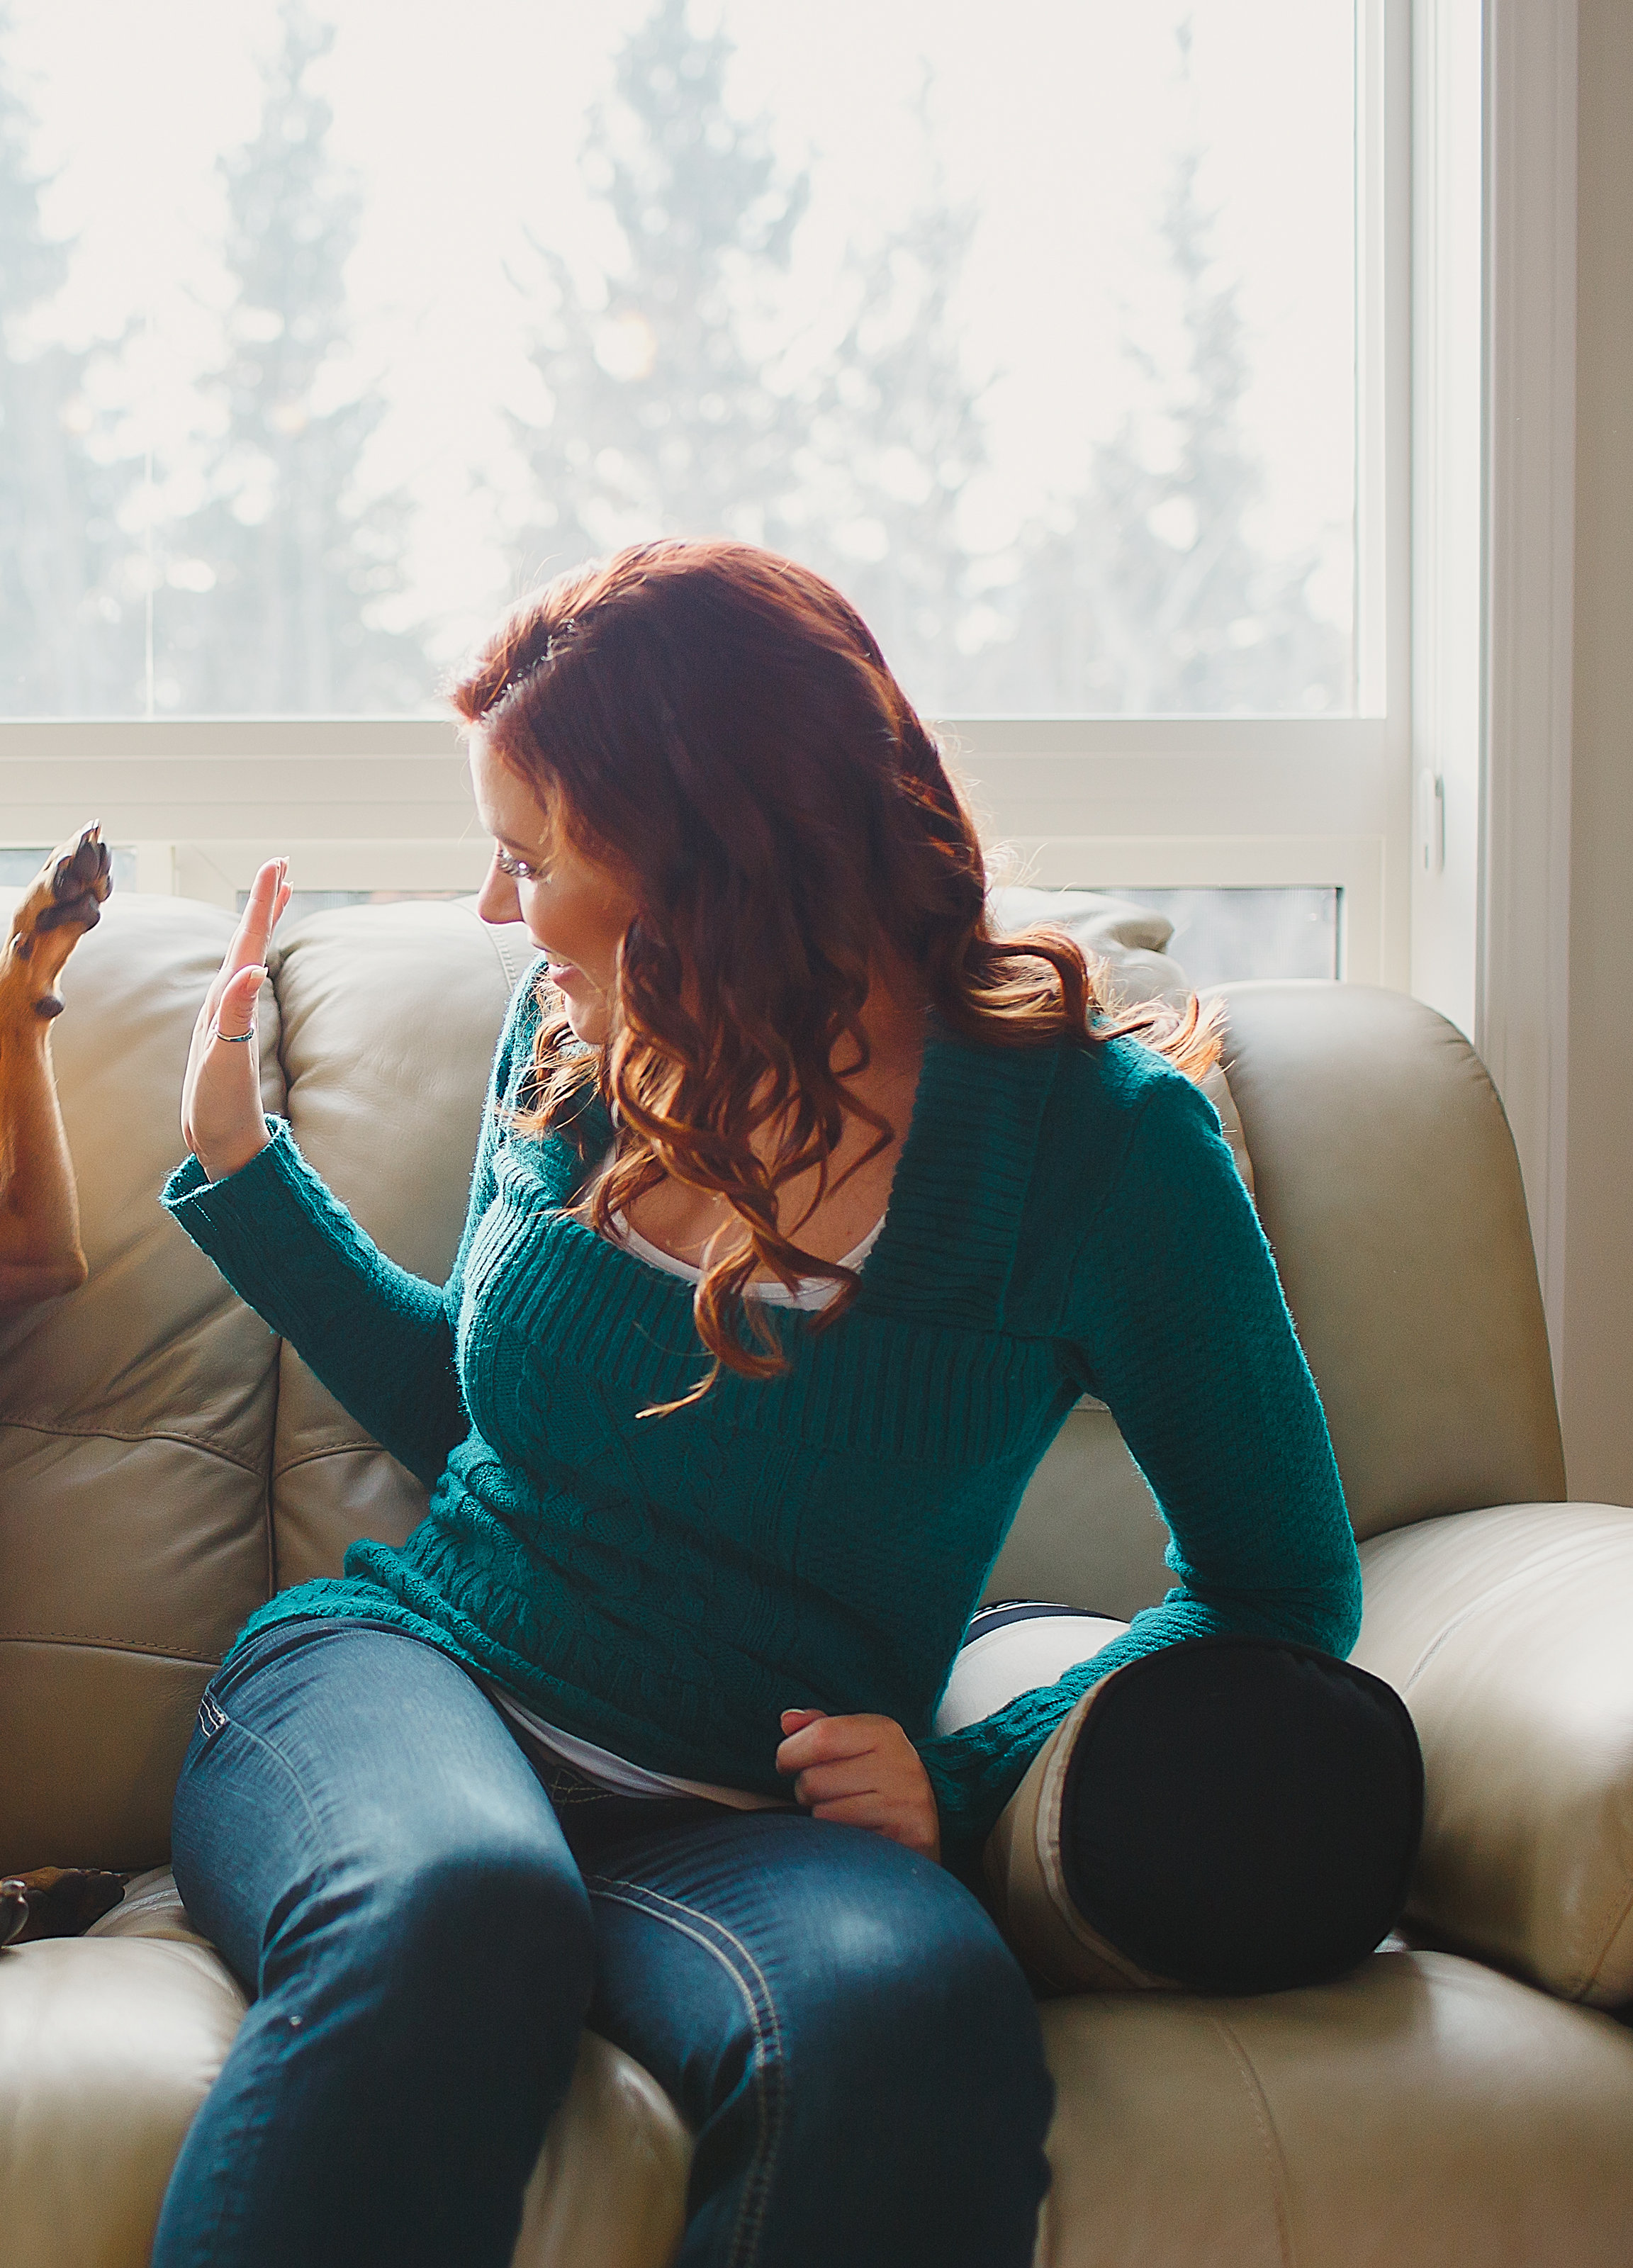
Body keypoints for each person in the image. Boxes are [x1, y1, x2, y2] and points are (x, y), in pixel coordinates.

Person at [147, 540, 1364, 2268]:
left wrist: (967, 1766)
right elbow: (482, 1414)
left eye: (531, 856)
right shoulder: (570, 1040)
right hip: (397, 1695)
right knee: (462, 1910)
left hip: (746, 1822)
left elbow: (1277, 1593)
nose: (497, 911)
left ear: (709, 854)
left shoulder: (1095, 1155)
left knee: (910, 2021)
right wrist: (240, 1170)